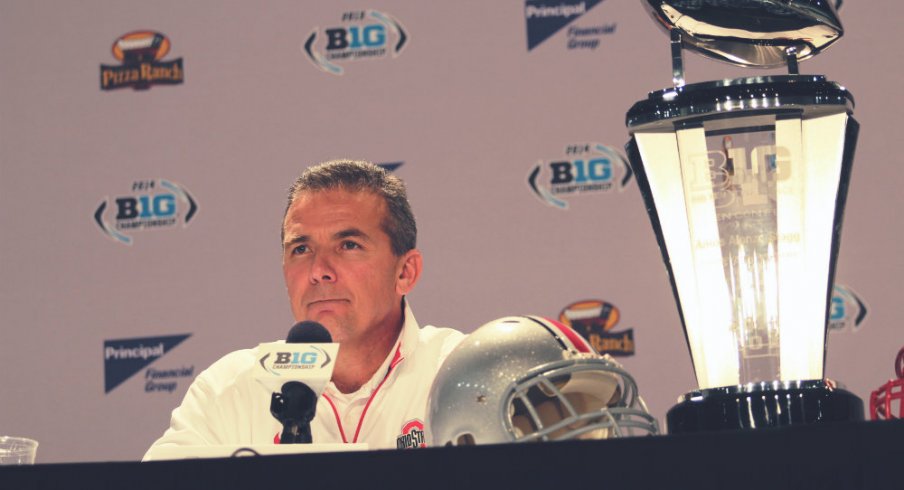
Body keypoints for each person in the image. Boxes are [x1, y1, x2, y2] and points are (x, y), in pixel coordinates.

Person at [144, 160, 464, 456]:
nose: (318, 269)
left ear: (405, 272)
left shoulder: (462, 374)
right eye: (301, 249)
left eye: (348, 245)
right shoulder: (228, 391)